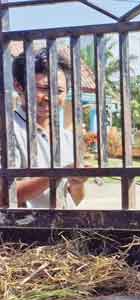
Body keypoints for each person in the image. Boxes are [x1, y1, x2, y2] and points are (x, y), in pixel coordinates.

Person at [9, 49, 85, 208]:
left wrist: (77, 183)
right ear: (18, 86)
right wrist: (57, 174)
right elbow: (4, 193)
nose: (49, 97)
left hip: (63, 224)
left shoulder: (67, 138)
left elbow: (75, 200)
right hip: (25, 224)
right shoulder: (9, 131)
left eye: (58, 91)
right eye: (42, 88)